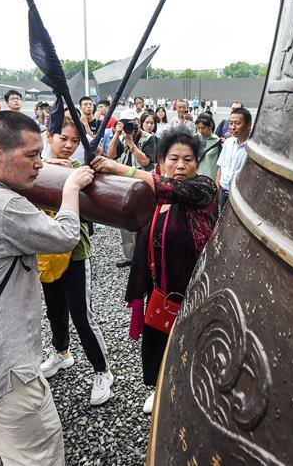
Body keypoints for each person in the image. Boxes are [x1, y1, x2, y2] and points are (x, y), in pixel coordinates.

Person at [0, 110, 93, 465]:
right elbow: (66, 236)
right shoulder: (2, 205)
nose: (40, 164)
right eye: (31, 155)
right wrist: (69, 187)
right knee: (37, 457)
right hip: (7, 372)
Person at [91, 129, 218, 414]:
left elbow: (169, 187)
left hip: (194, 287)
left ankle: (193, 392)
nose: (181, 165)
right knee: (158, 339)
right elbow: (113, 195)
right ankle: (160, 389)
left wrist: (118, 166)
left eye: (188, 159)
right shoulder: (150, 195)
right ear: (162, 161)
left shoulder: (203, 190)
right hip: (159, 286)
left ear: (197, 163)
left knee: (192, 342)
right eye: (174, 159)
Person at [38, 117, 112, 406]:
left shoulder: (79, 171)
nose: (69, 145)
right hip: (44, 249)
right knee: (54, 308)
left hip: (75, 251)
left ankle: (103, 371)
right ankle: (61, 353)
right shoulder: (36, 165)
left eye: (74, 141)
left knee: (81, 315)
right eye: (63, 139)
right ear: (49, 136)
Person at [109, 109, 157, 268]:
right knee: (126, 220)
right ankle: (131, 256)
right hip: (124, 185)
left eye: (131, 122)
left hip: (143, 185)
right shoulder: (120, 137)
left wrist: (131, 144)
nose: (129, 126)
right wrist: (117, 135)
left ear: (137, 122)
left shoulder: (149, 139)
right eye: (125, 122)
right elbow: (110, 156)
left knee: (145, 220)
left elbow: (145, 162)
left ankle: (146, 255)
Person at [215, 107, 252, 210]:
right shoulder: (228, 142)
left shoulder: (252, 147)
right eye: (231, 123)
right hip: (223, 192)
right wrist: (217, 191)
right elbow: (221, 167)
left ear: (249, 124)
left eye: (237, 123)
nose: (233, 127)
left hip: (240, 196)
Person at [194, 114, 222, 181]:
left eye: (203, 128)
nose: (200, 131)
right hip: (196, 177)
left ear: (211, 126)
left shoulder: (218, 141)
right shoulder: (194, 139)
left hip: (211, 178)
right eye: (198, 128)